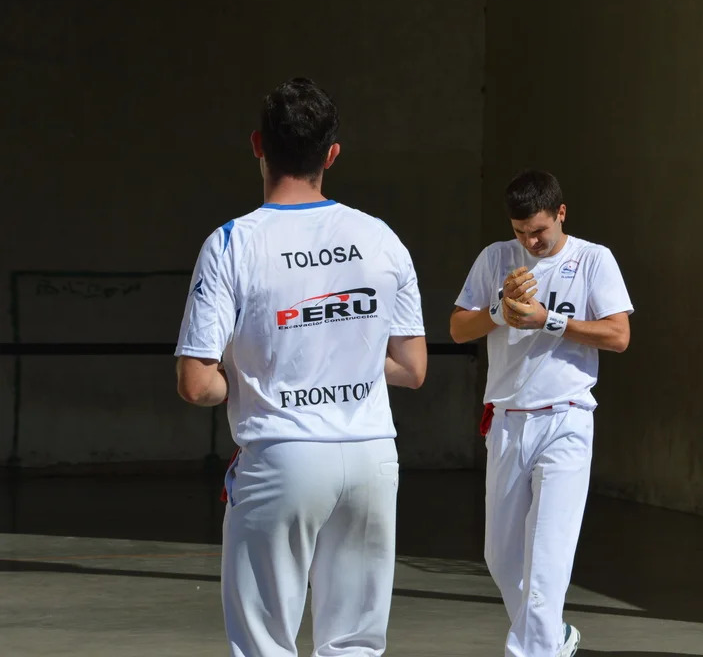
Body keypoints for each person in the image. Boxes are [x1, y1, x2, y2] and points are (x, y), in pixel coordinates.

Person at [174, 77, 427, 657]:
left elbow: (197, 383)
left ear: (257, 144)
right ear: (331, 154)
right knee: (356, 643)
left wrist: (256, 375)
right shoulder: (381, 238)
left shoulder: (232, 243)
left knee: (264, 644)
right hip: (372, 457)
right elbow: (411, 367)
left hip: (282, 456)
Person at [450, 168, 633, 657]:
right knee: (500, 556)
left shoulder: (593, 259)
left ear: (561, 213)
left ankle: (531, 651)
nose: (530, 242)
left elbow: (618, 335)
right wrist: (499, 311)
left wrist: (547, 319)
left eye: (538, 231)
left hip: (566, 420)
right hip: (507, 423)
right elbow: (459, 327)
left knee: (547, 561)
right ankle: (555, 638)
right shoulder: (495, 259)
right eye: (520, 232)